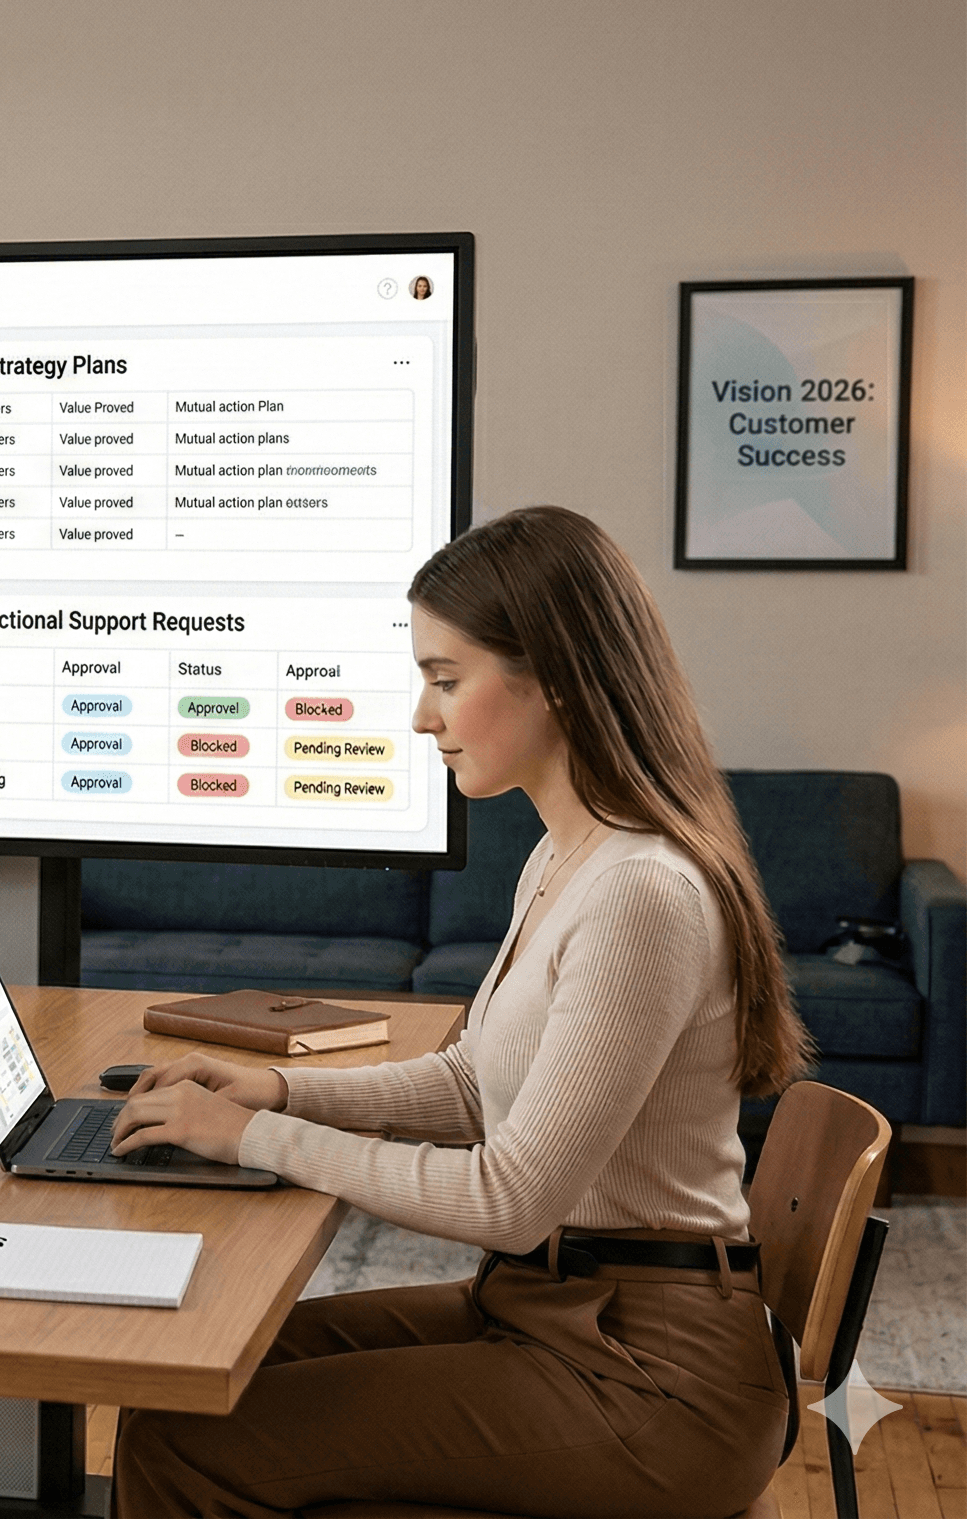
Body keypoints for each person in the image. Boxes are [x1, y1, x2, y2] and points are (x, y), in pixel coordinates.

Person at [108, 505, 802, 1518]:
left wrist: (253, 1137)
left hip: (647, 1377)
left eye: (443, 681)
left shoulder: (637, 892)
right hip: (553, 1312)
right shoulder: (566, 858)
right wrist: (275, 1087)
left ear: (554, 676)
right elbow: (474, 1083)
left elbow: (507, 1198)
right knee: (181, 1374)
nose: (419, 717)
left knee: (191, 1443)